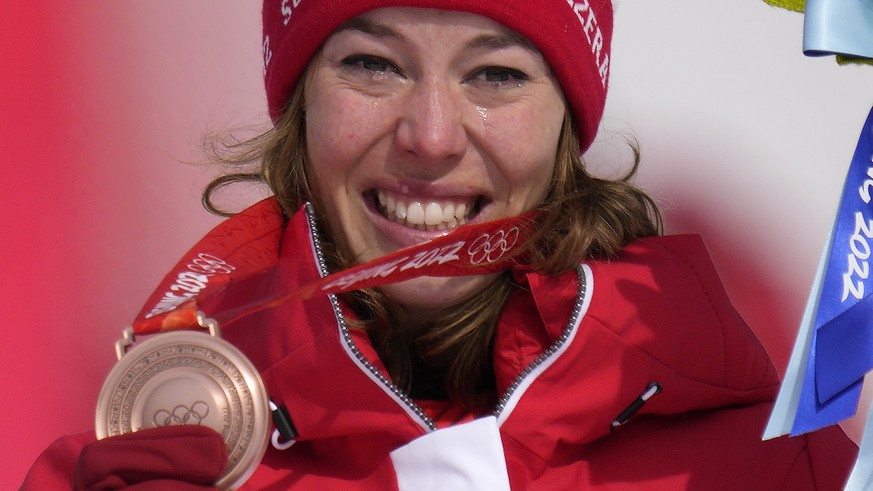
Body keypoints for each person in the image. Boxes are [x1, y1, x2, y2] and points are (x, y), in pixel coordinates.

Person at [22, 1, 858, 490]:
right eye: (373, 65)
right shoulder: (152, 461)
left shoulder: (776, 467)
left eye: (495, 74)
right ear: (299, 109)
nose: (429, 136)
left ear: (566, 122)